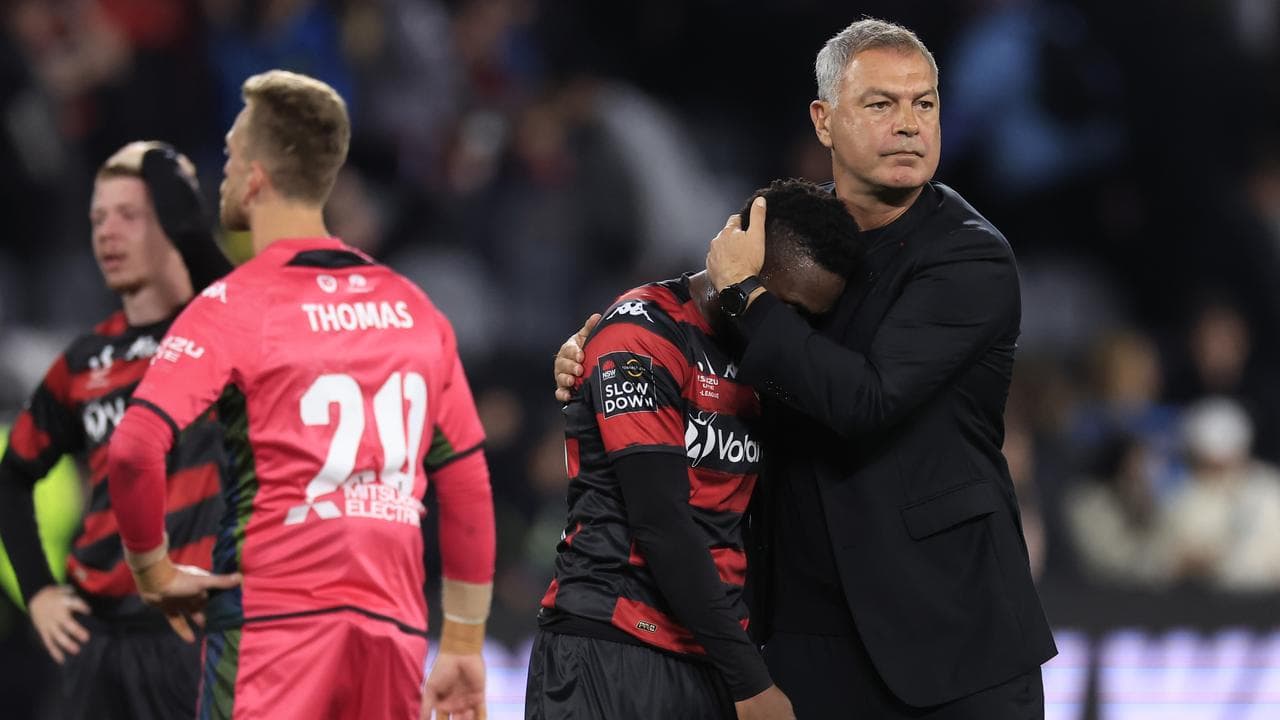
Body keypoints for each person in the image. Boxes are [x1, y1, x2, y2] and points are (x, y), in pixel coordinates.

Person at [555, 18, 1056, 719]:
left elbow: (864, 401)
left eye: (925, 103)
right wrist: (611, 337)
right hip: (805, 639)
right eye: (881, 104)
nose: (909, 124)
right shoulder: (790, 231)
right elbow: (688, 313)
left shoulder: (969, 257)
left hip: (950, 638)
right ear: (824, 120)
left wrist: (746, 297)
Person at [105, 70, 496, 720]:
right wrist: (460, 641)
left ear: (255, 176)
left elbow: (134, 448)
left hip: (274, 629)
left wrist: (154, 573)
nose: (224, 173)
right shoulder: (415, 309)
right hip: (392, 632)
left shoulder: (233, 304)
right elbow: (467, 481)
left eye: (230, 155)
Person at [530, 179, 860, 720]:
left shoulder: (772, 368)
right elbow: (662, 523)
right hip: (611, 646)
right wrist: (750, 681)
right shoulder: (641, 337)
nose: (789, 328)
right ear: (741, 264)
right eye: (786, 306)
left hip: (711, 656)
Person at [0, 140, 233, 719]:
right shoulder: (84, 362)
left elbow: (218, 278)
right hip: (96, 643)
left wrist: (167, 182)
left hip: (194, 639)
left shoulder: (224, 331)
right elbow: (12, 477)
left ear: (172, 224)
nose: (107, 233)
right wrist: (39, 594)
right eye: (98, 218)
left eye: (129, 216)